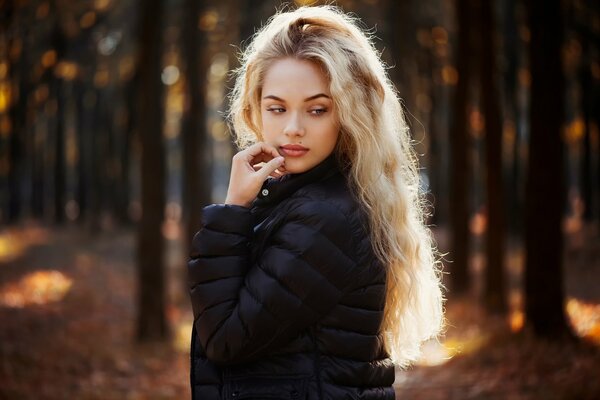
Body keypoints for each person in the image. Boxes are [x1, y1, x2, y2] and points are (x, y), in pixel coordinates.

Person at [187, 5, 445, 399]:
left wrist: (233, 212)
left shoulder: (324, 219)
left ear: (348, 113)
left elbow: (224, 338)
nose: (293, 128)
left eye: (317, 109)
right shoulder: (304, 199)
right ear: (254, 109)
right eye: (277, 108)